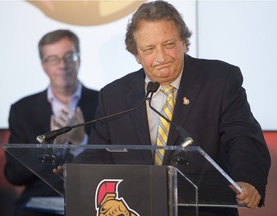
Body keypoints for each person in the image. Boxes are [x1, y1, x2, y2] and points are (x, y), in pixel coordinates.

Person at [77, 1, 271, 216]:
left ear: (184, 43)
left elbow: (242, 136)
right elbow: (99, 153)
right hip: (136, 209)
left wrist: (247, 178)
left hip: (203, 209)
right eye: (149, 49)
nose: (161, 58)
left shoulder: (220, 80)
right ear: (136, 56)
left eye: (168, 44)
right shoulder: (113, 95)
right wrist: (73, 174)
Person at [4, 29, 99, 216]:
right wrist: (50, 149)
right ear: (43, 66)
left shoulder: (103, 101)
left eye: (68, 56)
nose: (62, 65)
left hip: (92, 197)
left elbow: (115, 164)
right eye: (53, 59)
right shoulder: (23, 109)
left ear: (79, 60)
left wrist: (82, 142)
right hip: (39, 203)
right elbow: (13, 175)